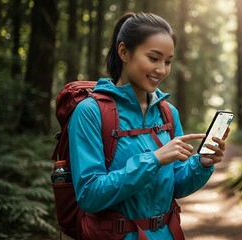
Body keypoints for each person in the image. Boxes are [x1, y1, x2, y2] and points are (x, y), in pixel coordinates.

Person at [68, 12, 229, 240]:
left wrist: (202, 164)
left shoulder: (168, 114)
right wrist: (154, 160)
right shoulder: (90, 112)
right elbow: (89, 195)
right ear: (124, 52)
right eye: (153, 58)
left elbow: (176, 185)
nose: (162, 70)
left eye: (168, 61)